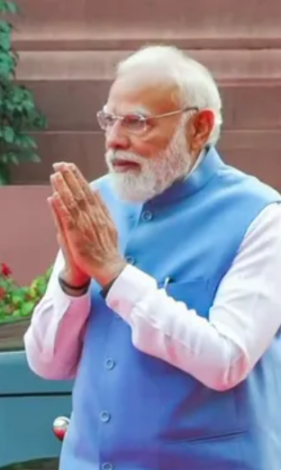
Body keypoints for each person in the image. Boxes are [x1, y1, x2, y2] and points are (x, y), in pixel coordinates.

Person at [25, 44, 281, 470]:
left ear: (199, 128)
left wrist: (114, 274)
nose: (114, 139)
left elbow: (226, 360)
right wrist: (73, 280)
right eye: (109, 120)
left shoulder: (260, 217)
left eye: (137, 122)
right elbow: (46, 362)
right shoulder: (97, 203)